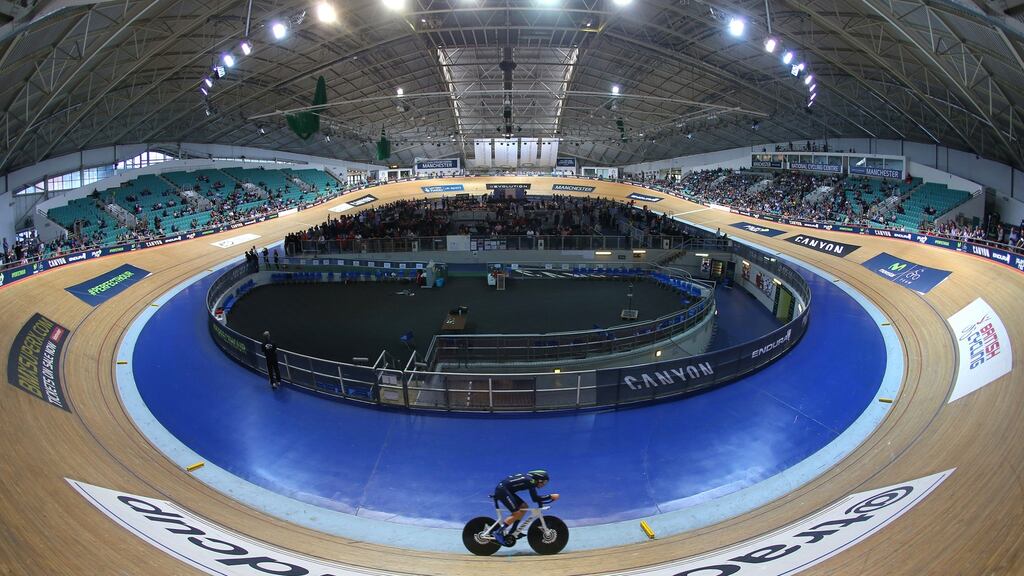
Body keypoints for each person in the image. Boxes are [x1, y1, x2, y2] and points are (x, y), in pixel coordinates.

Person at [492, 470, 559, 545]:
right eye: (544, 482)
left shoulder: (530, 480)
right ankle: (498, 532)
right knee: (516, 513)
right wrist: (550, 496)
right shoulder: (531, 481)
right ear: (539, 479)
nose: (544, 484)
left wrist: (541, 502)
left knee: (524, 506)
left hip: (505, 490)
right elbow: (535, 498)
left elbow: (536, 499)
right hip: (502, 490)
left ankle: (513, 531)